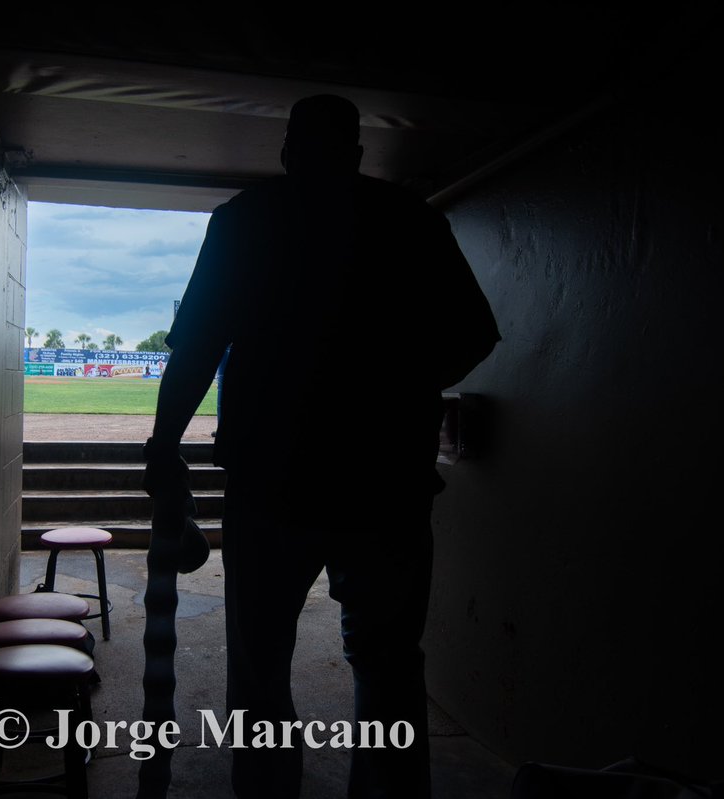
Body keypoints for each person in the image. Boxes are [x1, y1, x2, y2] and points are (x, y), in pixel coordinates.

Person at [143, 95, 500, 799]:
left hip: (271, 478)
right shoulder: (411, 219)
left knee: (259, 663)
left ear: (285, 152)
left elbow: (197, 345)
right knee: (389, 664)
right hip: (388, 483)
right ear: (358, 154)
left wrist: (162, 445)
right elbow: (474, 335)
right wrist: (402, 390)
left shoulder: (246, 219)